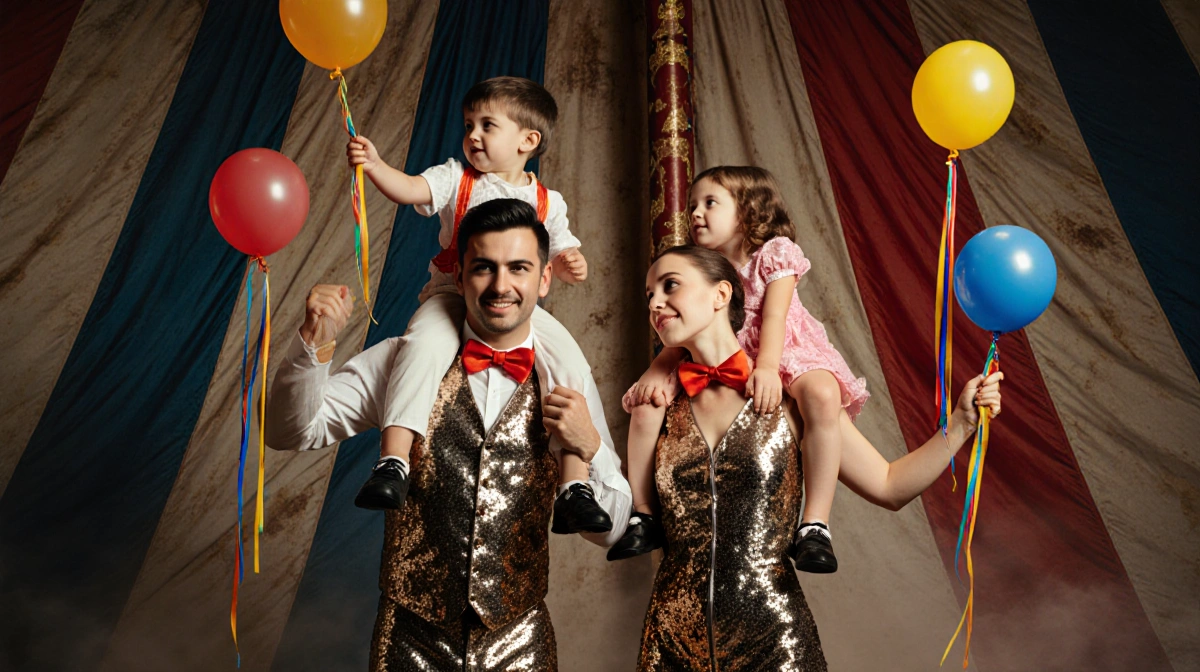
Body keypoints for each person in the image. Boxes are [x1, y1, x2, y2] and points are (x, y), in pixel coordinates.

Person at [264, 199, 631, 670]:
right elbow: (290, 430)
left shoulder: (565, 380)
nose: (501, 286)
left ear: (544, 279)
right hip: (409, 639)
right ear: (458, 276)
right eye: (484, 268)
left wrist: (591, 447)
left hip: (521, 641)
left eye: (518, 268)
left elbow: (613, 531)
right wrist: (313, 344)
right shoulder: (403, 362)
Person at [631, 246, 1001, 670]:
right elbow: (628, 512)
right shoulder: (656, 405)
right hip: (669, 645)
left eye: (670, 285)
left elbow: (889, 485)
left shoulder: (793, 393)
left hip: (774, 644)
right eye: (648, 296)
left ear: (721, 295)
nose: (656, 302)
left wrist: (961, 424)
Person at [345, 76, 608, 535]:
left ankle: (575, 486)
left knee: (568, 362)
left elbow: (559, 252)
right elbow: (408, 189)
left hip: (514, 311)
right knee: (419, 350)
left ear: (529, 140)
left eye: (488, 125)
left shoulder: (548, 201)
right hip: (451, 297)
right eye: (469, 124)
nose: (473, 135)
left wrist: (567, 264)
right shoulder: (455, 178)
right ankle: (393, 462)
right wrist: (376, 165)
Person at [611, 166, 867, 572]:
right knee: (647, 406)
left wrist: (767, 367)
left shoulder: (773, 253)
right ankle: (643, 512)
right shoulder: (701, 267)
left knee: (821, 394)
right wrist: (653, 372)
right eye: (692, 205)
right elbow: (682, 337)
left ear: (749, 210)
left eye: (710, 203)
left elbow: (776, 317)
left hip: (784, 350)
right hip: (729, 358)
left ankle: (815, 523)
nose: (695, 213)